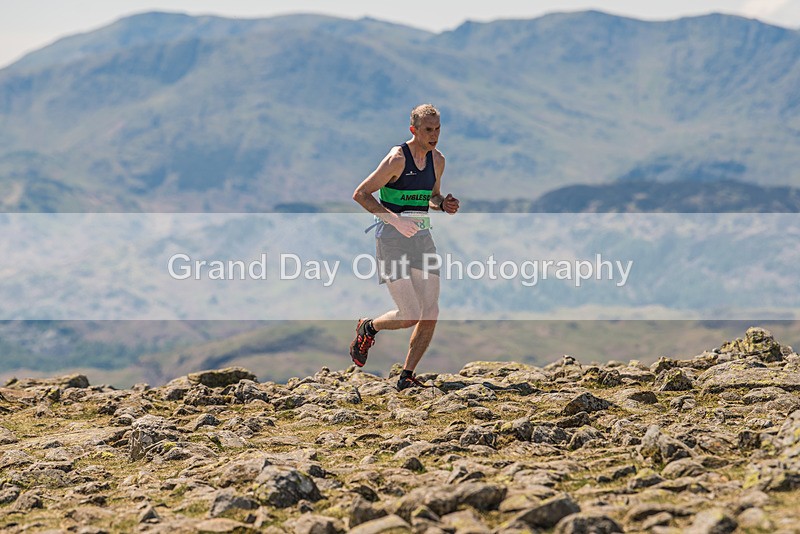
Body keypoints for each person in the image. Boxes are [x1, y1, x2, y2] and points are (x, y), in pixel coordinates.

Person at [350, 104, 459, 390]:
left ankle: (407, 376)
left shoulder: (438, 160)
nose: (434, 135)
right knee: (409, 314)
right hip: (391, 240)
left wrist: (442, 204)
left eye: (437, 129)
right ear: (413, 130)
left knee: (430, 311)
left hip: (422, 239)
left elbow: (431, 196)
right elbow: (361, 194)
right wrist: (395, 221)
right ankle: (368, 327)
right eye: (427, 130)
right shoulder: (397, 159)